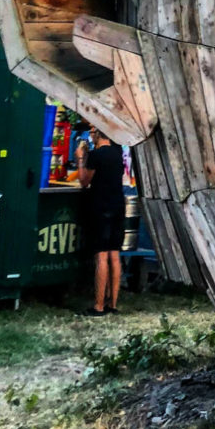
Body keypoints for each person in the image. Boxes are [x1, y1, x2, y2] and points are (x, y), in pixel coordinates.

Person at [76, 128, 125, 316]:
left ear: (98, 134)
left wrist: (81, 158)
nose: (90, 134)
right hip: (118, 205)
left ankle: (98, 306)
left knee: (101, 256)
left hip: (100, 207)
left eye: (92, 131)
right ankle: (113, 304)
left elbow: (83, 181)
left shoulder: (96, 155)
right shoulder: (117, 153)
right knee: (114, 254)